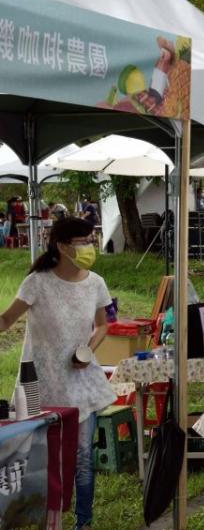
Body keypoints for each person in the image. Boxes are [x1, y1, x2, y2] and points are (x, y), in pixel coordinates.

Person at [0, 218, 115, 530]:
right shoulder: (37, 282)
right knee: (38, 457)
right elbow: (6, 320)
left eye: (92, 239)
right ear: (63, 246)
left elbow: (103, 325)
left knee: (83, 459)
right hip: (41, 384)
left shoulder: (96, 283)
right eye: (84, 240)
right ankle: (41, 519)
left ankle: (83, 522)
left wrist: (88, 350)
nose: (90, 246)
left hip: (81, 382)